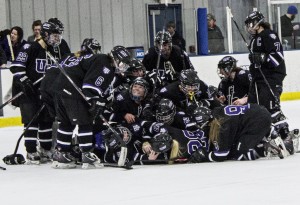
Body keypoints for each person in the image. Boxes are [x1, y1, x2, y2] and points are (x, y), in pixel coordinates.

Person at [51, 45, 133, 169]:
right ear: (116, 58)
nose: (123, 67)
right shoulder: (105, 65)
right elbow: (90, 86)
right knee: (86, 121)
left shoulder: (98, 58)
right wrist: (96, 101)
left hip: (60, 89)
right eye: (122, 63)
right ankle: (86, 154)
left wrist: (99, 100)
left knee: (66, 122)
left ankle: (61, 154)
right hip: (73, 91)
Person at [245, 11, 298, 153]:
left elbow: (278, 56)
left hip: (271, 77)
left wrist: (262, 58)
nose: (249, 27)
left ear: (258, 22)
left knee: (271, 107)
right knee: (253, 108)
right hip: (258, 79)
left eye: (250, 23)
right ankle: (263, 136)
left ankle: (285, 136)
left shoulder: (269, 35)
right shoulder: (255, 38)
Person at [9, 21, 62, 164]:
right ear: (45, 35)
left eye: (58, 36)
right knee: (31, 121)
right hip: (28, 92)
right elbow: (16, 67)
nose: (56, 39)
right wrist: (25, 81)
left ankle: (45, 149)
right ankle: (31, 151)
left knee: (46, 121)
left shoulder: (52, 52)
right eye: (54, 36)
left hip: (44, 92)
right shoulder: (29, 47)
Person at [188, 103, 287, 163]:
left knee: (240, 153)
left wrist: (206, 156)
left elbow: (221, 155)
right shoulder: (216, 111)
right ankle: (270, 132)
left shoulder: (221, 125)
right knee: (238, 142)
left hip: (257, 121)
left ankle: (266, 147)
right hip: (259, 112)